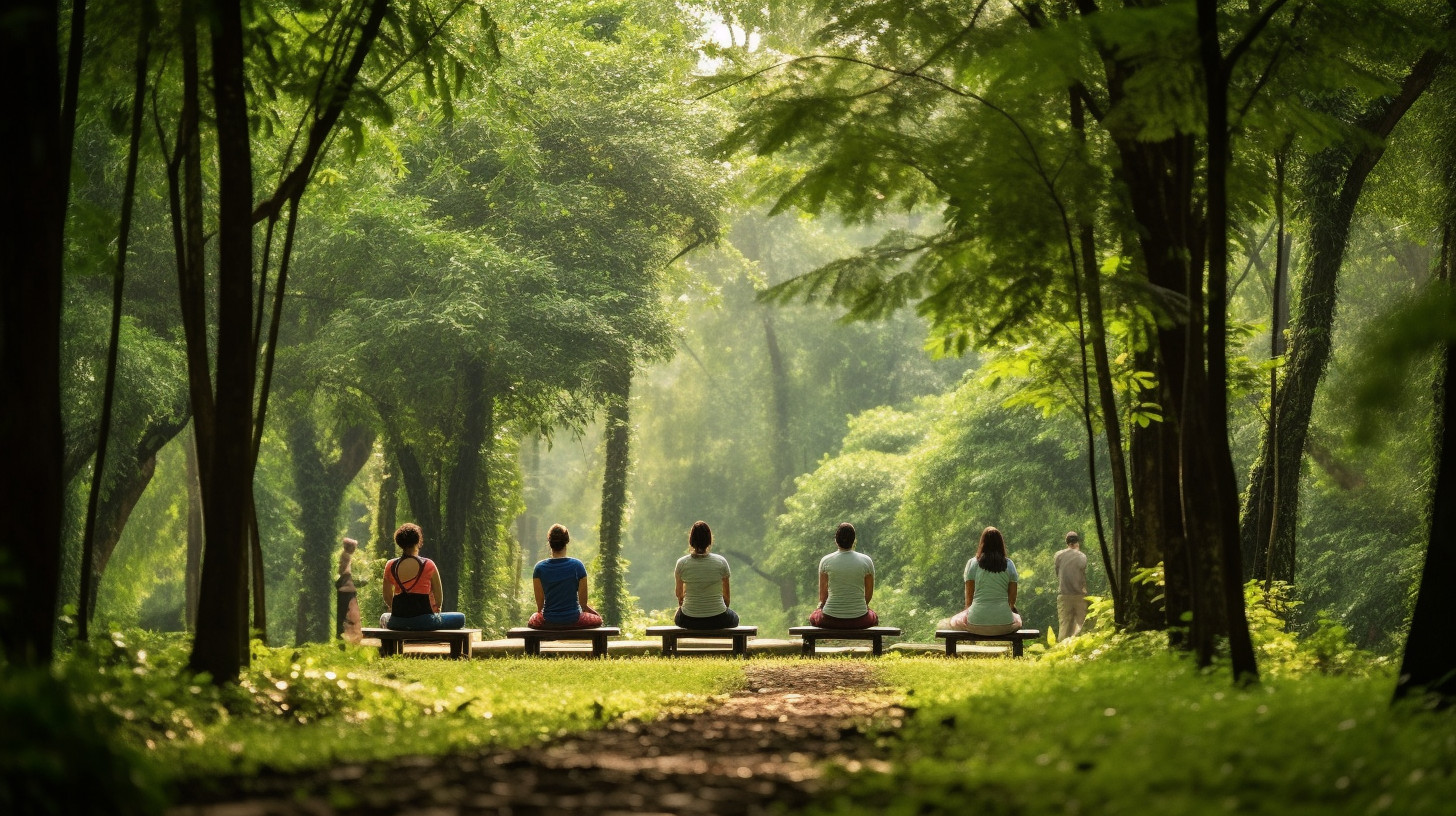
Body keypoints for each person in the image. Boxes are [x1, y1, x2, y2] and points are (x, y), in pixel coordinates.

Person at [379, 523, 466, 631]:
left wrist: (402, 613)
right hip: (426, 621)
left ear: (399, 543)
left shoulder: (390, 565)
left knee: (384, 617)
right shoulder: (428, 564)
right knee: (460, 617)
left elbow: (387, 597)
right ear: (418, 541)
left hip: (398, 622)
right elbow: (438, 600)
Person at [946, 526, 1023, 636]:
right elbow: (1012, 599)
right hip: (1004, 623)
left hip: (976, 622)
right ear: (1001, 543)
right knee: (1018, 620)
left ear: (982, 543)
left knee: (954, 621)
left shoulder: (973, 563)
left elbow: (969, 599)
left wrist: (970, 614)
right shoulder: (1009, 564)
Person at [528, 524, 603, 629]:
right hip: (573, 619)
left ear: (549, 543)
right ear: (567, 541)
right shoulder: (578, 565)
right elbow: (583, 604)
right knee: (598, 620)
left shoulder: (539, 568)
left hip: (549, 619)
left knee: (533, 618)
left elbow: (540, 607)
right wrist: (596, 615)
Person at [808, 522, 878, 629]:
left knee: (814, 616)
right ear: (854, 540)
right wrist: (858, 609)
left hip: (830, 619)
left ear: (836, 540)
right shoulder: (866, 561)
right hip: (859, 620)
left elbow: (823, 597)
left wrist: (821, 609)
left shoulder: (826, 561)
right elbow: (868, 595)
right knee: (873, 616)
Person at [674, 521, 738, 630]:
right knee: (735, 618)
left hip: (689, 620)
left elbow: (679, 596)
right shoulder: (721, 562)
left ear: (691, 541)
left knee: (677, 617)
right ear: (709, 541)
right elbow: (727, 599)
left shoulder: (681, 563)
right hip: (718, 619)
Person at [1055, 530, 1089, 640]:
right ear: (1077, 543)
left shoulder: (1058, 556)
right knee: (1079, 627)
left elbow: (1058, 573)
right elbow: (1082, 574)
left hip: (1064, 596)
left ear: (1067, 543)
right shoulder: (1082, 557)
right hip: (1080, 596)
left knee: (1064, 626)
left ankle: (1062, 651)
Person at [335, 537, 364, 641]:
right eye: (353, 547)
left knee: (345, 613)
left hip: (347, 586)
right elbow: (343, 571)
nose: (354, 549)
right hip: (347, 588)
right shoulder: (346, 556)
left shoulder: (345, 556)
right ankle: (343, 635)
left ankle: (342, 635)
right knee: (347, 612)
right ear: (349, 547)